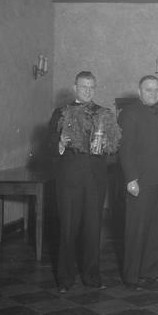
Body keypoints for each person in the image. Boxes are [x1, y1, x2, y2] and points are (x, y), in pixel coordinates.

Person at [49, 71, 119, 293]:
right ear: (75, 87)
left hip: (96, 181)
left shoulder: (105, 114)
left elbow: (115, 151)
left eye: (91, 87)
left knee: (93, 229)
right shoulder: (60, 112)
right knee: (67, 229)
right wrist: (59, 142)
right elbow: (48, 146)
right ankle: (65, 279)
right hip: (69, 181)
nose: (88, 90)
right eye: (83, 86)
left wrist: (109, 143)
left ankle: (91, 276)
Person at [118, 75, 158, 290]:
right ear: (139, 91)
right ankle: (132, 276)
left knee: (156, 229)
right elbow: (125, 149)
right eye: (148, 89)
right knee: (136, 230)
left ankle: (150, 272)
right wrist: (131, 179)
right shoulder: (129, 114)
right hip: (139, 182)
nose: (153, 93)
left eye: (156, 90)